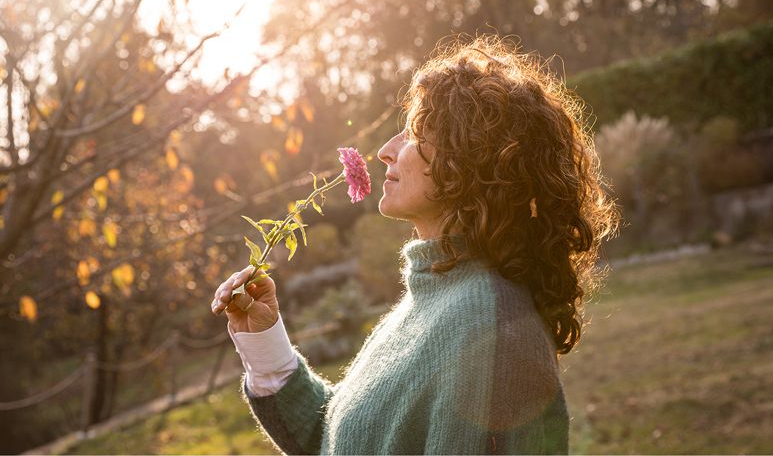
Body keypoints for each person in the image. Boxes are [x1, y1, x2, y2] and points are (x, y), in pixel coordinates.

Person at [210, 36, 618, 454]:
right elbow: (341, 443)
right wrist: (266, 346)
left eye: (415, 132)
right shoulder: (431, 301)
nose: (386, 151)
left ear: (471, 159)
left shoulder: (491, 337)